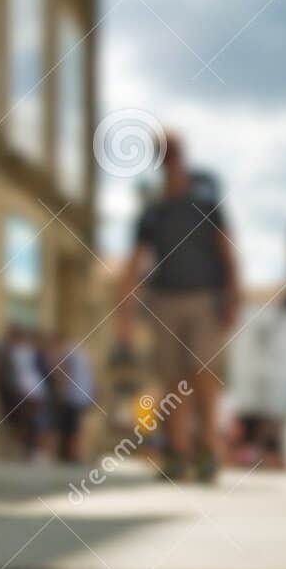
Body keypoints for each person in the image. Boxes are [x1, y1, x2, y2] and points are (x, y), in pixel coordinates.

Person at [117, 133, 240, 482]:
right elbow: (134, 262)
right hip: (164, 299)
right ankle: (177, 451)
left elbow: (226, 252)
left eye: (174, 154)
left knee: (203, 374)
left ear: (183, 156)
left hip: (204, 298)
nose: (170, 160)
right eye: (164, 155)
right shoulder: (152, 211)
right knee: (172, 378)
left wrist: (233, 296)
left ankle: (207, 450)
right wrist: (124, 313)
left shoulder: (206, 203)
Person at [0, 325, 51, 460]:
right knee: (27, 421)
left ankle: (29, 449)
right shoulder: (19, 352)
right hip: (29, 391)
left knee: (28, 422)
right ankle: (28, 449)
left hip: (28, 391)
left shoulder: (17, 352)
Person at [50, 334, 96, 463]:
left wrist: (60, 392)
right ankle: (75, 454)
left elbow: (64, 372)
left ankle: (71, 454)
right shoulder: (81, 353)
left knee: (70, 428)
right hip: (83, 395)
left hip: (73, 396)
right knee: (76, 427)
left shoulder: (68, 352)